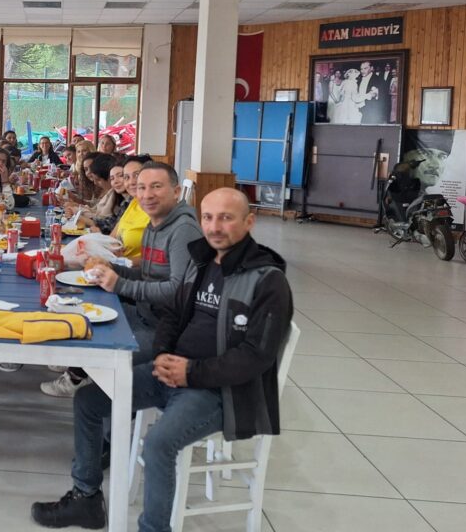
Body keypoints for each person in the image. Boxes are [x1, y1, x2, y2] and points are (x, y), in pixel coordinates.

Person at [32, 188, 293, 532]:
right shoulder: (202, 261)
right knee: (89, 401)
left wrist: (191, 372)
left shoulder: (268, 281)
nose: (215, 227)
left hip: (221, 392)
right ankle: (86, 499)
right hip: (173, 373)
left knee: (158, 446)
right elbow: (172, 314)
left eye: (226, 218)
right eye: (208, 217)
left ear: (249, 222)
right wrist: (162, 355)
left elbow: (256, 356)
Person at [43, 162, 202, 398]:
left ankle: (86, 379)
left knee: (90, 348)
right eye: (142, 187)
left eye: (156, 187)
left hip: (165, 329)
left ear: (176, 192)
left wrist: (120, 284)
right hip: (144, 313)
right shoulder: (155, 224)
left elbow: (177, 291)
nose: (146, 194)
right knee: (80, 312)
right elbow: (148, 274)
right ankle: (80, 367)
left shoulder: (183, 230)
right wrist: (113, 269)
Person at [111, 154, 152, 263]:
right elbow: (112, 237)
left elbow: (160, 261)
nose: (131, 182)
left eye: (136, 175)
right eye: (126, 177)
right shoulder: (134, 202)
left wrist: (121, 261)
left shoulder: (157, 211)